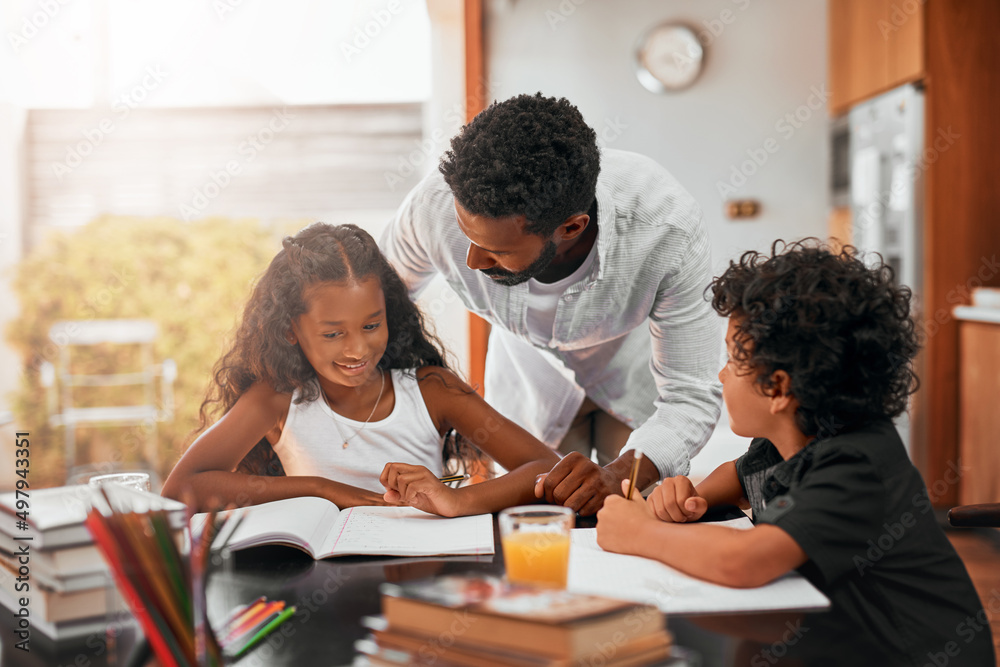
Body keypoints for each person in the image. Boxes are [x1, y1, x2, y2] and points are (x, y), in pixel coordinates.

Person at [596, 241, 995, 665]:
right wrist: (690, 498)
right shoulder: (792, 440)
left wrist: (641, 533)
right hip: (847, 640)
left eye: (733, 360)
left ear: (779, 389)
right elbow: (738, 475)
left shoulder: (856, 466)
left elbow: (745, 562)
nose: (721, 374)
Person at [380, 93, 722, 515]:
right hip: (529, 378)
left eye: (496, 251)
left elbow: (691, 395)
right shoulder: (433, 208)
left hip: (633, 375)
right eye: (467, 236)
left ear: (571, 228)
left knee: (634, 513)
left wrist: (619, 476)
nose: (472, 260)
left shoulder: (667, 229)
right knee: (533, 520)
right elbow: (378, 306)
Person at [162, 223, 559, 516]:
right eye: (333, 333)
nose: (357, 349)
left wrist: (456, 499)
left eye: (372, 325)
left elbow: (546, 469)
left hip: (422, 579)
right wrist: (321, 490)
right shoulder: (279, 397)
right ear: (290, 331)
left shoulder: (431, 390)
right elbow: (183, 488)